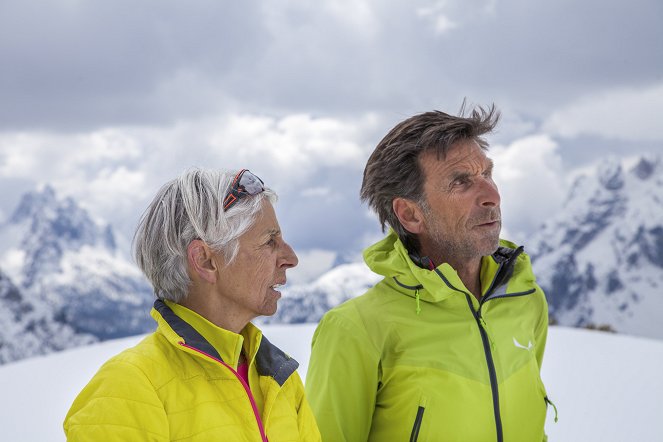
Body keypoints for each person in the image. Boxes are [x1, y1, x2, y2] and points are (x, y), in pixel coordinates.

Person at [305, 105, 553, 441]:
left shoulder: (525, 300)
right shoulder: (356, 331)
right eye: (461, 182)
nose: (492, 196)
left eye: (487, 174)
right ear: (409, 214)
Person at [64, 168, 321, 442]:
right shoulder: (127, 389)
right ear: (205, 260)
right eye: (270, 241)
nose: (290, 258)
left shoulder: (279, 378)